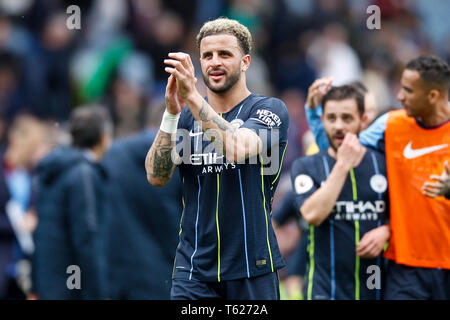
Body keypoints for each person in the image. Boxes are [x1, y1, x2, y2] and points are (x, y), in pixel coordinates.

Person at [145, 18, 289, 300]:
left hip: (252, 267)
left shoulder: (268, 110)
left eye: (225, 54)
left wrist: (194, 100)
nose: (214, 62)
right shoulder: (186, 117)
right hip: (193, 269)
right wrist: (172, 113)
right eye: (207, 55)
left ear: (245, 61)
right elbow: (156, 176)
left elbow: (235, 148)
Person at [306, 55, 450, 299]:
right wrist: (314, 111)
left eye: (408, 90)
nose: (399, 96)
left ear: (433, 96)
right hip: (405, 267)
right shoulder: (390, 125)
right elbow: (341, 151)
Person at [291, 85, 390, 300]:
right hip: (324, 291)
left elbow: (403, 215)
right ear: (322, 120)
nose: (338, 126)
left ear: (363, 121)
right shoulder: (306, 166)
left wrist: (387, 231)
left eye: (346, 118)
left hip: (376, 288)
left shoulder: (383, 164)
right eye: (331, 118)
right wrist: (343, 165)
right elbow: (312, 215)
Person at [32, 106, 112, 300]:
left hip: (49, 284)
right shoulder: (84, 174)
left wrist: (35, 285)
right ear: (103, 138)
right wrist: (98, 294)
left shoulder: (52, 169)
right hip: (71, 287)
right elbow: (86, 239)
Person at [102, 117, 183, 299]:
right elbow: (174, 228)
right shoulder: (181, 159)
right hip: (162, 278)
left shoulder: (112, 156)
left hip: (116, 275)